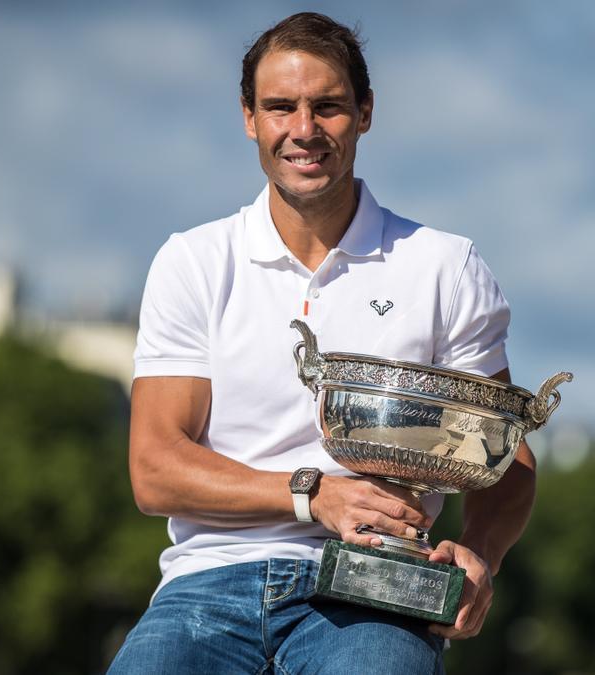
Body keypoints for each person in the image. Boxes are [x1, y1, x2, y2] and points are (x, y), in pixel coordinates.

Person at [108, 12, 536, 674]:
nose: (303, 131)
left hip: (378, 590)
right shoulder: (192, 260)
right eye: (281, 106)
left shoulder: (446, 266)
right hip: (209, 580)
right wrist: (313, 492)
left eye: (327, 107)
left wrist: (480, 550)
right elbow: (154, 465)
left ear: (365, 113)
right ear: (249, 117)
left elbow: (508, 457)